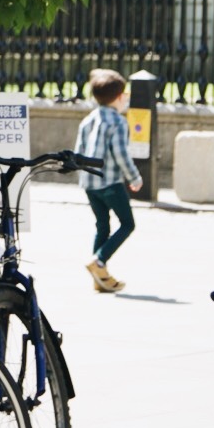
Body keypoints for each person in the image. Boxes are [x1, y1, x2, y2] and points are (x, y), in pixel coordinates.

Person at [74, 68, 142, 293]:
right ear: (120, 97)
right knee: (127, 223)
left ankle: (99, 277)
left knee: (102, 225)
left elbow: (78, 152)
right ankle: (99, 261)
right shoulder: (118, 122)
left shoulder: (88, 120)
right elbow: (121, 154)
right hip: (111, 182)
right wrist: (134, 177)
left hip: (90, 184)